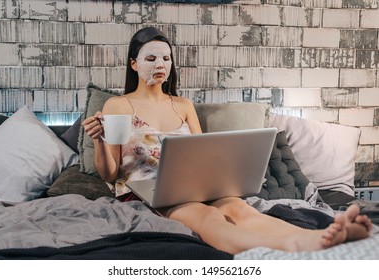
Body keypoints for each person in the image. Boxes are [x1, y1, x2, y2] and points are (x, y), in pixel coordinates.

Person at [82, 27, 372, 255]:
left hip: (192, 184)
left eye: (166, 58)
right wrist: (97, 140)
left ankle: (321, 237)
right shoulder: (117, 106)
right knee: (206, 217)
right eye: (150, 58)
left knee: (239, 208)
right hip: (148, 191)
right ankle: (296, 248)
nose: (160, 64)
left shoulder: (182, 104)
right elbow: (110, 173)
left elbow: (200, 153)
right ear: (134, 64)